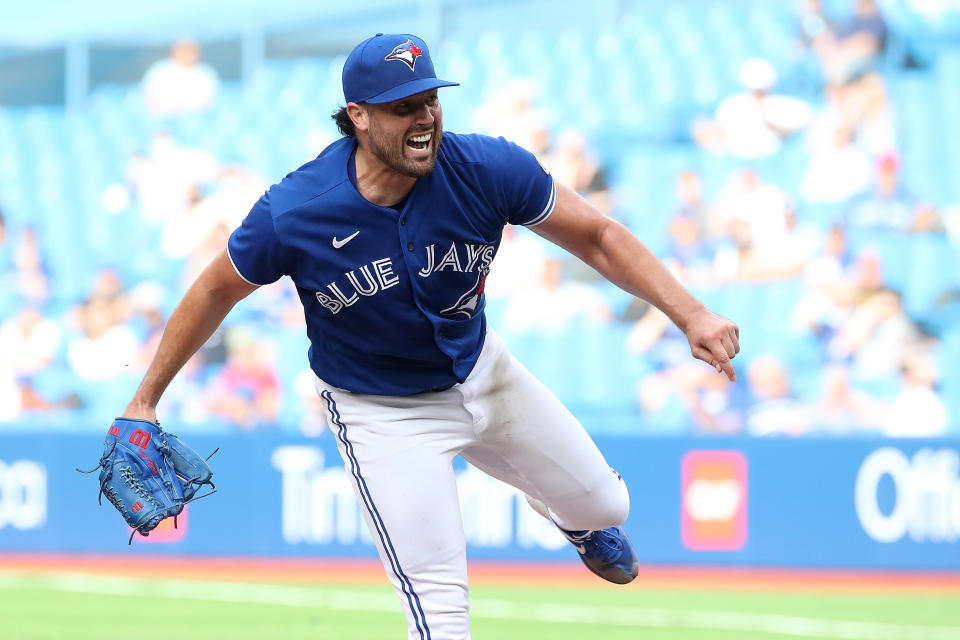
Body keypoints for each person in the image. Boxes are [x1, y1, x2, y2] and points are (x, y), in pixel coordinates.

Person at [117, 34, 740, 639]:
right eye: (403, 107)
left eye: (431, 100)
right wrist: (147, 396)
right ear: (357, 116)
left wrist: (689, 313)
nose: (425, 118)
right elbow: (214, 289)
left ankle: (574, 524)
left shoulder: (487, 167)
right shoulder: (297, 210)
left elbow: (598, 235)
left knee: (607, 508)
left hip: (484, 372)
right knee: (440, 610)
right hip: (380, 413)